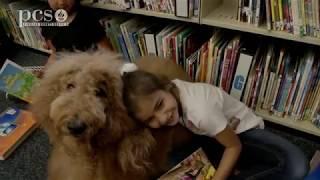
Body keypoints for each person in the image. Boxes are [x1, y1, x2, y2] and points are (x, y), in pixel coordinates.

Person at [121, 70, 309, 180]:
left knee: (296, 166)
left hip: (242, 133)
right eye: (150, 119)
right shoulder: (172, 94)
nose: (161, 119)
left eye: (160, 105)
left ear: (164, 86)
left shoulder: (200, 111)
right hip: (212, 136)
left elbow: (234, 146)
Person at [41, 0, 112, 66]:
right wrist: (46, 69)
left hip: (89, 67)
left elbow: (108, 52)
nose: (61, 3)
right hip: (64, 68)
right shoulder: (47, 19)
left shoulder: (87, 18)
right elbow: (55, 53)